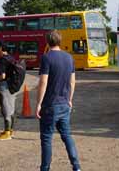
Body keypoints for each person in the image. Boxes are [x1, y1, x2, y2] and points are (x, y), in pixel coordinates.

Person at [36, 30, 81, 171]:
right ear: (60, 41)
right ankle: (76, 166)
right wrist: (69, 99)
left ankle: (45, 168)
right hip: (64, 104)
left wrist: (38, 104)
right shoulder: (69, 58)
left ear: (47, 42)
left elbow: (43, 82)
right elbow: (72, 82)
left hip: (50, 105)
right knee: (67, 136)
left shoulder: (46, 58)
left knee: (47, 138)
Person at [0, 41, 18, 141]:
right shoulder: (11, 58)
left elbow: (3, 76)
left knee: (6, 109)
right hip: (12, 86)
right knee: (11, 109)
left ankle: (7, 133)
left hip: (5, 87)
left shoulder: (3, 60)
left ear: (0, 48)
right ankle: (10, 130)